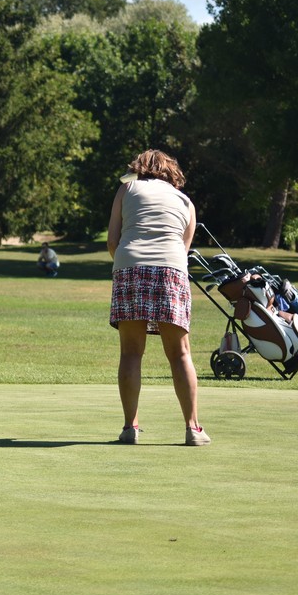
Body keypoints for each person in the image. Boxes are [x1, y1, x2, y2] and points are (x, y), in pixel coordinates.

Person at [107, 149, 210, 446]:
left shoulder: (127, 188)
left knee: (130, 352)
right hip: (171, 270)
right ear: (171, 172)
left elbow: (113, 242)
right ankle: (193, 429)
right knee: (179, 352)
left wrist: (129, 262)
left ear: (139, 169)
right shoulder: (186, 202)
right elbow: (183, 248)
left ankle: (130, 428)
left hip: (130, 266)